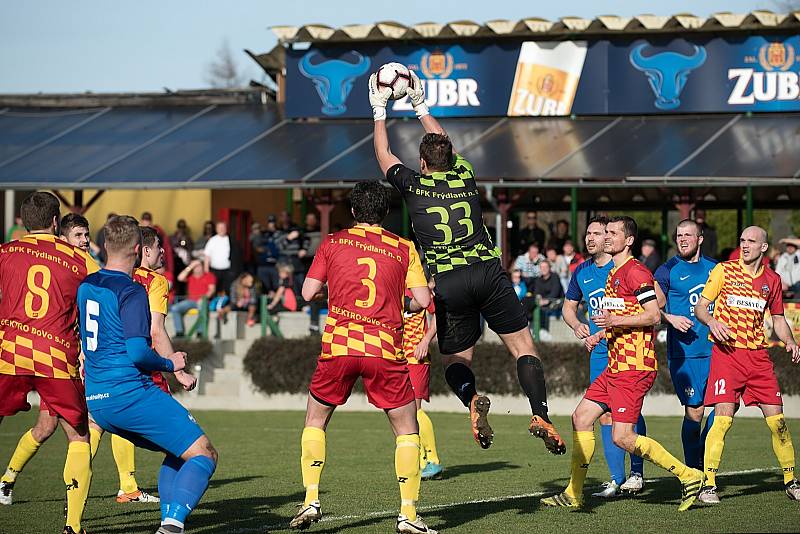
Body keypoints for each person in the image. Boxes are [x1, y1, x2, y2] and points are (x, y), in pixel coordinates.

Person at [371, 70, 564, 454]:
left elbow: (384, 155)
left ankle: (473, 398)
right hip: (488, 271)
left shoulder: (412, 184)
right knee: (524, 345)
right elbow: (447, 146)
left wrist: (379, 109)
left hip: (449, 280)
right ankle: (540, 412)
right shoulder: (464, 175)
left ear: (422, 164)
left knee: (456, 360)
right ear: (449, 158)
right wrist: (419, 104)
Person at [289, 182, 435, 533]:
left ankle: (310, 499)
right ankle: (409, 515)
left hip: (339, 346)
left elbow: (308, 292)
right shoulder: (403, 247)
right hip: (384, 349)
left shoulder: (333, 242)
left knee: (315, 420)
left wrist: (335, 290)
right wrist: (396, 302)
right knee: (406, 429)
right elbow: (422, 299)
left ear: (353, 212)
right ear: (385, 213)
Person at [542, 216, 703, 510]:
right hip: (615, 364)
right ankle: (573, 493)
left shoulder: (636, 272)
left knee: (623, 437)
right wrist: (601, 331)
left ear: (628, 241)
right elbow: (624, 318)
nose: (607, 237)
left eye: (613, 233)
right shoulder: (614, 275)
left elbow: (654, 315)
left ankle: (688, 474)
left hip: (634, 366)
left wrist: (614, 320)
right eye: (608, 233)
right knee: (581, 418)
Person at [77, 215, 215, 534]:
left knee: (176, 449)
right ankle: (173, 525)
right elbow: (138, 351)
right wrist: (173, 364)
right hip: (129, 394)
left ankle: (169, 520)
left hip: (97, 400)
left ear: (106, 246)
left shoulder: (87, 284)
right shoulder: (132, 291)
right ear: (139, 250)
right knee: (204, 454)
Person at [0, 192, 98, 533]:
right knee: (78, 436)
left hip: (8, 355)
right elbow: (106, 290)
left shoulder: (5, 252)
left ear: (24, 221)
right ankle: (72, 526)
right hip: (56, 357)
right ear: (56, 222)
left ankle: (7, 480)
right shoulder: (78, 259)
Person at [694, 226, 800, 503]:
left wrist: (789, 341)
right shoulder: (724, 271)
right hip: (727, 356)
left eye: (751, 241)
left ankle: (791, 480)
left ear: (764, 247)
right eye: (742, 240)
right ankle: (709, 485)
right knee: (722, 420)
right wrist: (713, 321)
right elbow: (701, 307)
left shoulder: (772, 280)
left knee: (778, 423)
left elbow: (778, 319)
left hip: (758, 360)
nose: (745, 245)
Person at [561, 216, 647, 498]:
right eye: (589, 233)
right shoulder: (581, 271)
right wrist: (577, 326)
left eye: (598, 233)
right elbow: (568, 307)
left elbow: (654, 302)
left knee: (629, 414)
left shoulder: (623, 266)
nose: (592, 238)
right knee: (604, 415)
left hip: (627, 350)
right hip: (599, 352)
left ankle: (637, 472)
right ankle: (615, 479)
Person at [653, 220, 717, 473]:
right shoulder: (667, 270)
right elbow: (653, 311)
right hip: (684, 354)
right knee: (695, 410)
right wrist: (671, 318)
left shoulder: (716, 268)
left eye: (688, 235)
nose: (682, 239)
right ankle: (694, 470)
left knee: (725, 408)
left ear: (699, 238)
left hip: (716, 351)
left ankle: (702, 459)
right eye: (679, 235)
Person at [403, 282, 443, 481]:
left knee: (414, 410)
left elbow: (438, 313)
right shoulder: (389, 288)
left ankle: (432, 461)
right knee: (405, 412)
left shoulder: (418, 290)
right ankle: (418, 462)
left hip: (415, 358)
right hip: (396, 358)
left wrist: (426, 340)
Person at [172, 260, 216, 337]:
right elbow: (180, 278)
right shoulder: (190, 276)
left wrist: (204, 299)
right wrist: (190, 266)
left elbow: (212, 290)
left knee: (201, 307)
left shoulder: (209, 276)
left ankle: (200, 332)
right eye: (195, 266)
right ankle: (179, 332)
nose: (197, 268)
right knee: (175, 308)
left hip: (204, 301)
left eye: (199, 265)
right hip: (191, 301)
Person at [532, 260, 564, 337]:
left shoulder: (555, 277)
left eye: (545, 267)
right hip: (543, 302)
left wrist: (546, 300)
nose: (543, 269)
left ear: (549, 268)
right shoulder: (538, 280)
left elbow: (555, 293)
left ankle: (544, 331)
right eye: (542, 267)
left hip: (557, 301)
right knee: (534, 307)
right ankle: (534, 330)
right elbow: (537, 293)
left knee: (545, 309)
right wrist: (539, 298)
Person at [203, 221, 235, 294]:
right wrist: (206, 270)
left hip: (228, 270)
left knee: (227, 290)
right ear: (216, 229)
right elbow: (207, 256)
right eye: (220, 228)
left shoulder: (230, 239)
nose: (221, 229)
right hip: (214, 271)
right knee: (214, 290)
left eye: (223, 228)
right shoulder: (212, 240)